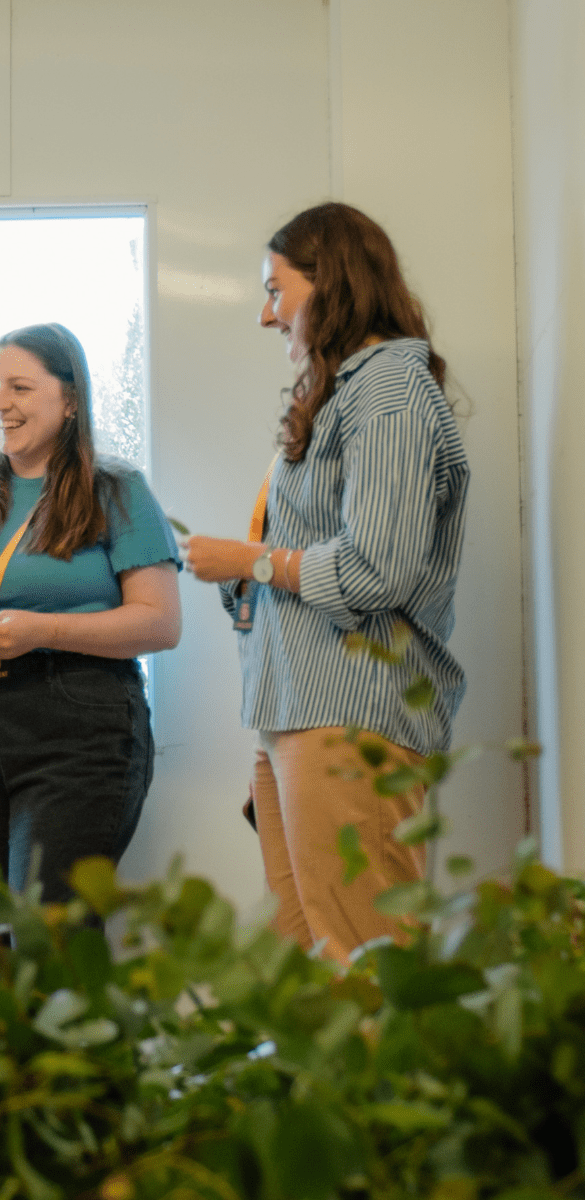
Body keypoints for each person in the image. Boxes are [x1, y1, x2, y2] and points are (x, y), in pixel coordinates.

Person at [183, 202, 469, 964]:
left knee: (364, 959)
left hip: (348, 715)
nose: (265, 315)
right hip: (299, 710)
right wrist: (240, 570)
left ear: (330, 285)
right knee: (315, 967)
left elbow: (375, 568)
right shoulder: (344, 395)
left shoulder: (389, 394)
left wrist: (247, 562)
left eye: (276, 291)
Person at [0, 323, 181, 924]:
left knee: (50, 945)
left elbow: (160, 624)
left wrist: (42, 630)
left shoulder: (116, 488)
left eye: (21, 387)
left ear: (70, 399)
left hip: (77, 727)